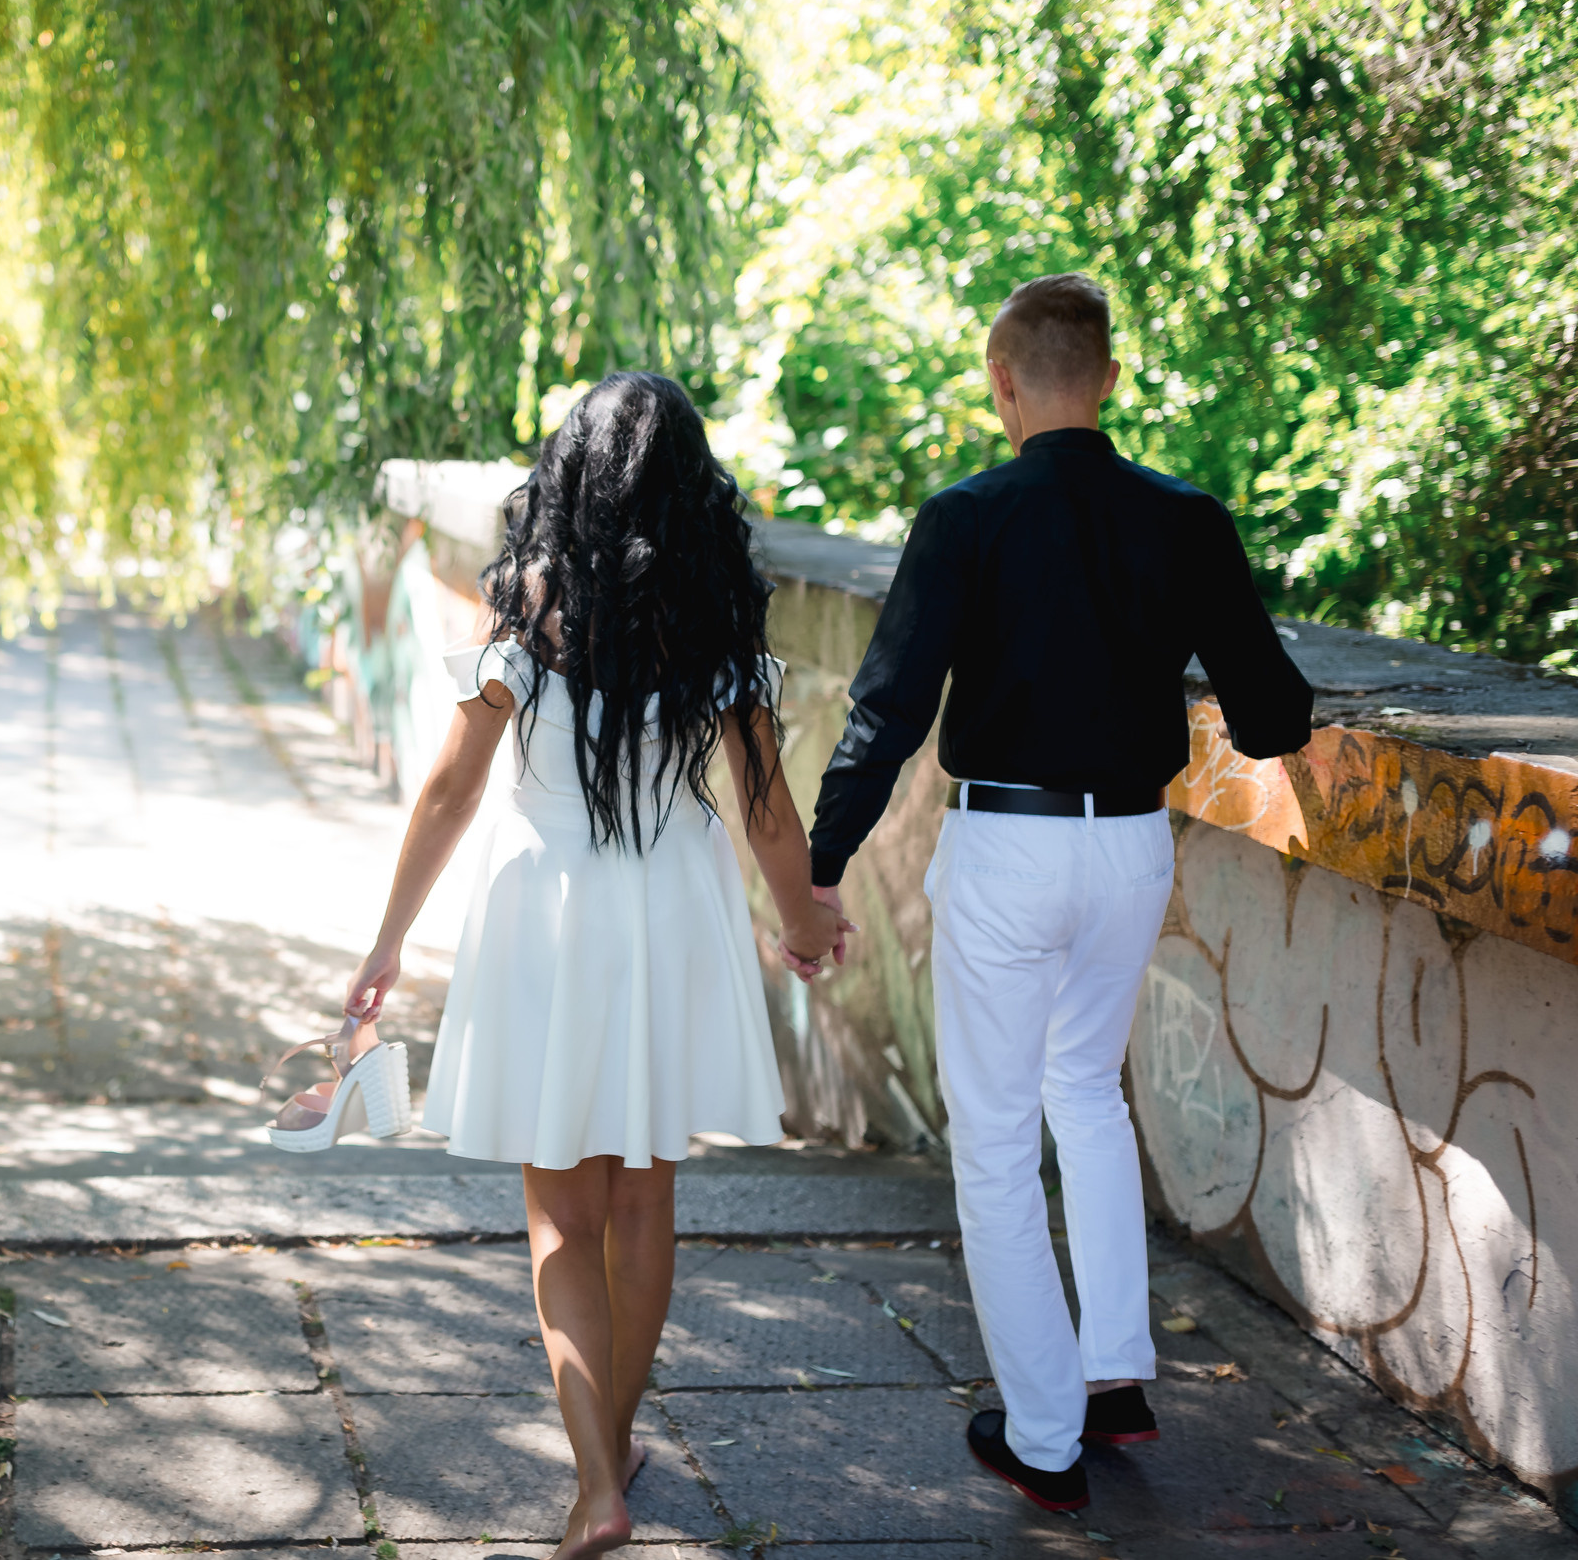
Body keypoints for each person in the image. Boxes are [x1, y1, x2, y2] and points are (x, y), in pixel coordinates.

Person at [805, 274, 1313, 1511]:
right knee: (1083, 1089)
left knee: (991, 1143)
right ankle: (1115, 1376)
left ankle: (1041, 1436)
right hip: (1132, 847)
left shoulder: (965, 516)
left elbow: (888, 709)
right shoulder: (1185, 517)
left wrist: (820, 866)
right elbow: (1273, 711)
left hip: (1008, 849)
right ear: (1110, 380)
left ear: (1003, 382)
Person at [330, 372, 850, 1560]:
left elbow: (452, 787)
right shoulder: (716, 613)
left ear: (565, 471)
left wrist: (388, 937)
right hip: (669, 909)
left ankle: (594, 1480)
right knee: (643, 1198)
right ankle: (608, 1456)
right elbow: (770, 819)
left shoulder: (520, 603)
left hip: (544, 911)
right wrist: (808, 926)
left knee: (560, 1221)